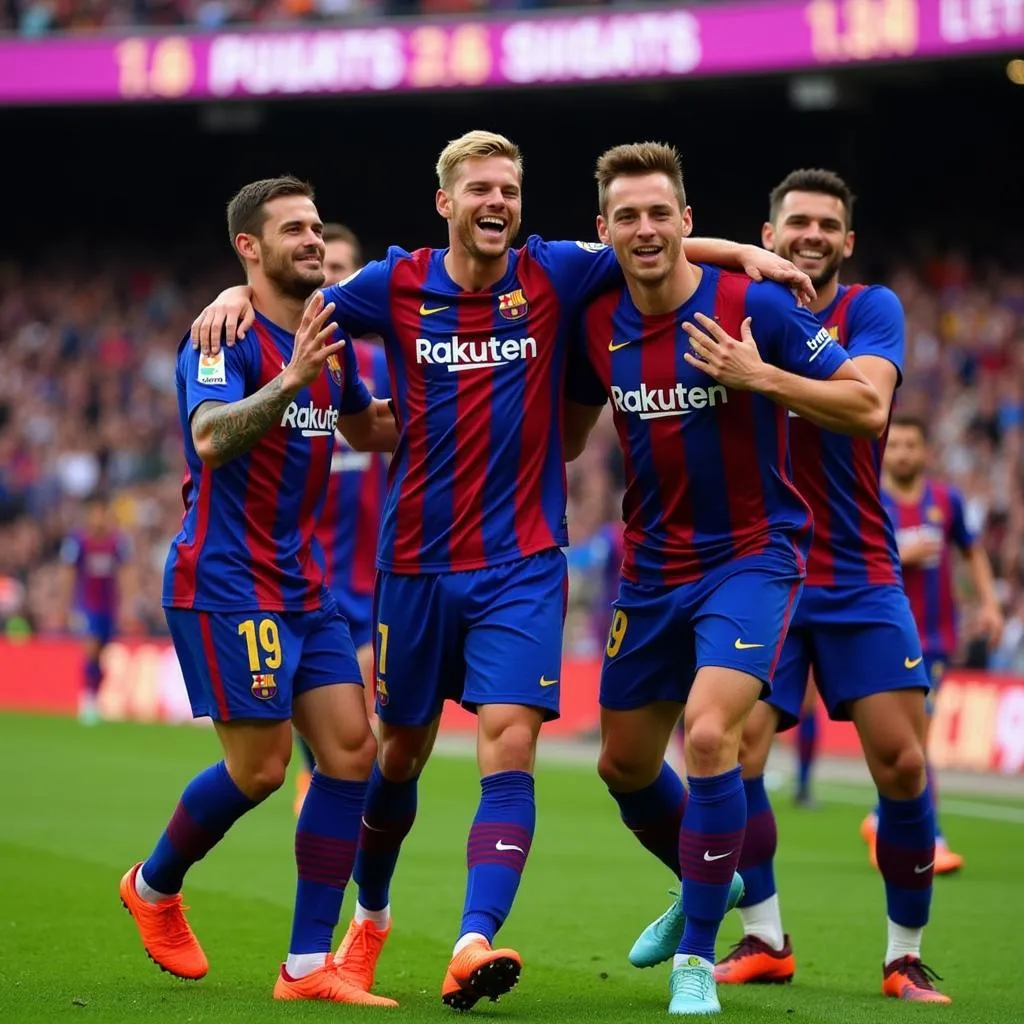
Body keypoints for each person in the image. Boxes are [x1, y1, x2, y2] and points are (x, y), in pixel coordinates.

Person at [188, 129, 818, 1010]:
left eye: (510, 191)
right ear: (445, 203)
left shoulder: (553, 273)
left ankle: (474, 937)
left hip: (522, 565)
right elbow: (293, 291)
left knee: (509, 742)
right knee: (396, 755)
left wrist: (745, 250)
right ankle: (370, 921)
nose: (496, 203)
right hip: (413, 566)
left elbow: (651, 239)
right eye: (479, 189)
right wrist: (229, 289)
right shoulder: (396, 285)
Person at [562, 142, 880, 1016]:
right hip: (650, 571)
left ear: (687, 220)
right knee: (623, 766)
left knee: (708, 740)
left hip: (752, 558)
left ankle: (698, 956)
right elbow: (566, 434)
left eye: (661, 212)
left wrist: (759, 377)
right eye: (627, 215)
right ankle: (708, 881)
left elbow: (867, 404)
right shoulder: (594, 313)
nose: (646, 228)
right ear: (604, 231)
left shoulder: (757, 307)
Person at [118, 176, 399, 1006]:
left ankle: (307, 966)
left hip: (304, 583)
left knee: (352, 753)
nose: (314, 240)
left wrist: (478, 413)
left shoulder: (326, 337)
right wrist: (287, 380)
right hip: (227, 580)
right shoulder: (224, 335)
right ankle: (153, 885)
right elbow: (209, 438)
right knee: (263, 770)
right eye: (296, 231)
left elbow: (363, 425)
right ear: (250, 248)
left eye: (317, 228)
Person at [713, 169, 950, 1004]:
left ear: (847, 242)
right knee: (735, 753)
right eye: (796, 223)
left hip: (856, 569)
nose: (811, 235)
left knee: (904, 762)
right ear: (768, 235)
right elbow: (638, 248)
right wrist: (732, 259)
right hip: (759, 567)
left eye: (827, 225)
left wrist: (761, 379)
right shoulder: (734, 302)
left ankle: (904, 955)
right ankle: (764, 936)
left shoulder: (872, 310)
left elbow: (869, 409)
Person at [860, 414, 1004, 871]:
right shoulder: (870, 501)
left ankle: (889, 819)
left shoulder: (947, 501)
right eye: (895, 445)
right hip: (882, 633)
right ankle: (925, 834)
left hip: (935, 639)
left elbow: (971, 551)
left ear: (925, 452)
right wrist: (901, 553)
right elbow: (854, 557)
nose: (902, 453)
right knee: (912, 741)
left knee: (916, 739)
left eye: (910, 445)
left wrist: (989, 604)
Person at [294, 222, 390, 816]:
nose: (335, 282)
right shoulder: (283, 365)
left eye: (347, 271)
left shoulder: (384, 363)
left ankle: (351, 852)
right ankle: (330, 824)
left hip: (380, 578)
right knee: (340, 742)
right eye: (325, 270)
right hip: (307, 577)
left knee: (371, 740)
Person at [59, 494, 133, 724]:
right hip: (87, 605)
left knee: (102, 654)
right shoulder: (77, 541)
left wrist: (128, 605)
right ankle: (88, 699)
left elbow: (126, 573)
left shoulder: (117, 542)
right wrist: (65, 606)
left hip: (109, 606)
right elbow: (68, 573)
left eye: (103, 512)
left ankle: (96, 694)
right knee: (90, 648)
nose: (99, 518)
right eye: (95, 512)